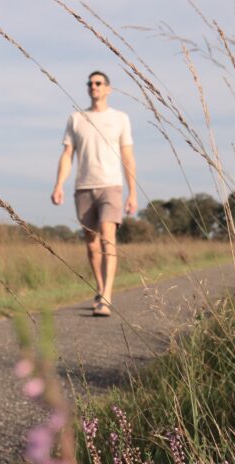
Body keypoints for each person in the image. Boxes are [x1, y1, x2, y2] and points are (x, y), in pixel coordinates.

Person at [51, 71, 137, 317]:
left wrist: (132, 193)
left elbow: (128, 156)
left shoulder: (120, 118)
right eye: (90, 83)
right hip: (83, 186)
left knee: (108, 235)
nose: (93, 86)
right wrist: (59, 184)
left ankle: (107, 296)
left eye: (98, 83)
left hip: (111, 185)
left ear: (108, 89)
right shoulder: (76, 118)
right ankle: (100, 287)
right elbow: (68, 155)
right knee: (91, 243)